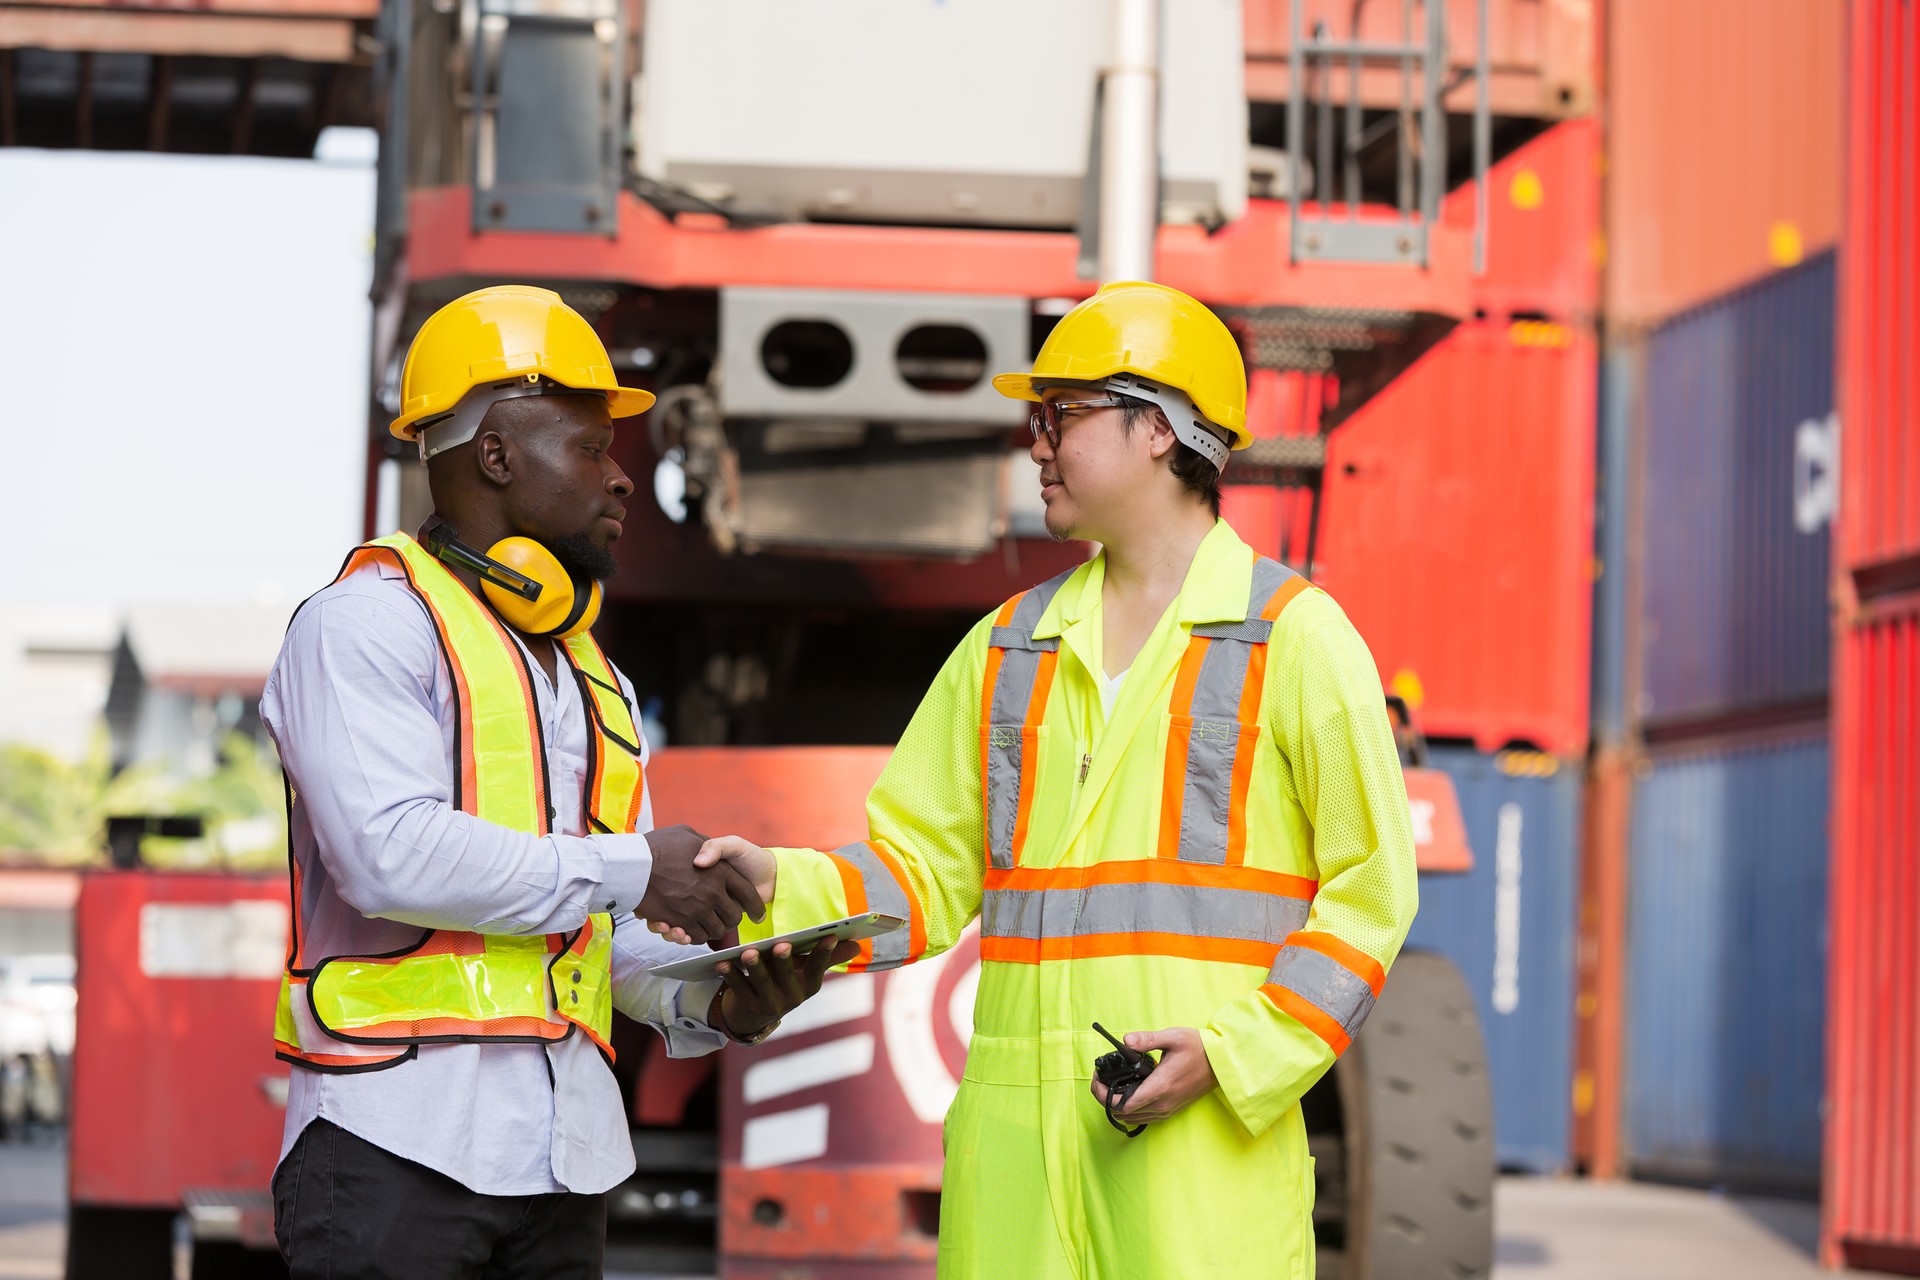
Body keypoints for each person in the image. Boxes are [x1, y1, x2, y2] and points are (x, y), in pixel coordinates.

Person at [692, 281, 1419, 1278]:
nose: (1035, 444)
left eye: (1061, 416)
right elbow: (920, 871)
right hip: (1014, 1170)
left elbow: (1372, 895)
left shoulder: (1293, 639)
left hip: (1199, 1164)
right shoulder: (1005, 647)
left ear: (1158, 429)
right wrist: (778, 885)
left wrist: (1236, 1054)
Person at [263, 284, 853, 1279]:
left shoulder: (594, 676)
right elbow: (387, 853)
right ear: (494, 453)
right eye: (589, 448)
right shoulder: (361, 625)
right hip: (391, 1151)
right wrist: (634, 867)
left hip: (562, 1167)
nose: (622, 480)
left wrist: (715, 1003)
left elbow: (601, 931)